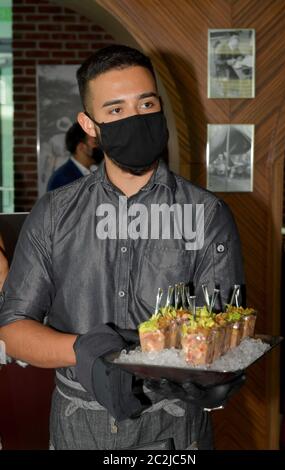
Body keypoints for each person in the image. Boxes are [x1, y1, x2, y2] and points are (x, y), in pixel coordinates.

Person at [0, 45, 245, 450]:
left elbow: (222, 332)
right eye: (115, 110)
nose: (134, 118)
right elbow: (13, 331)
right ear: (89, 124)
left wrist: (217, 372)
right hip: (79, 422)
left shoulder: (207, 214)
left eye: (145, 103)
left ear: (159, 106)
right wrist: (84, 349)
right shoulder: (54, 214)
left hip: (174, 423)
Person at [47, 122, 104, 191]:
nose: (99, 147)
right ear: (81, 147)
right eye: (95, 143)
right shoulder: (63, 180)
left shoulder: (93, 172)